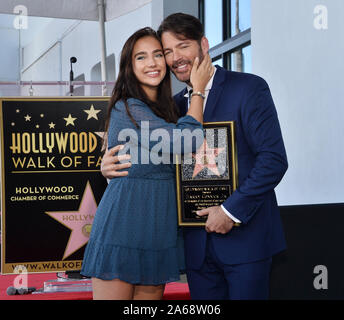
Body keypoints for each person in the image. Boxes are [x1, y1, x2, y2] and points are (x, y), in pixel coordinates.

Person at [100, 13, 288, 300]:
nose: (175, 58)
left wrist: (230, 212)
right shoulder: (171, 109)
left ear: (203, 44)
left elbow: (273, 160)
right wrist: (110, 165)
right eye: (168, 52)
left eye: (183, 46)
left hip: (245, 241)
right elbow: (158, 159)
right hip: (195, 248)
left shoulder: (248, 88)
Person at [80, 27, 214, 300]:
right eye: (141, 57)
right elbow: (187, 142)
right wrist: (198, 89)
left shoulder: (169, 110)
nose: (152, 63)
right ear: (129, 67)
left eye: (157, 54)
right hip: (123, 228)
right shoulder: (126, 107)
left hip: (159, 230)